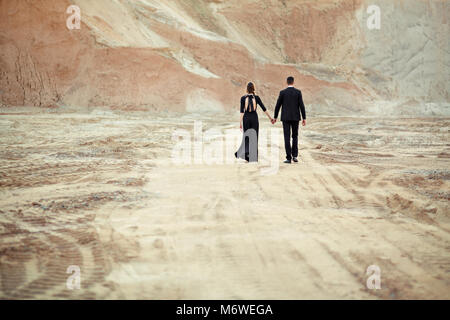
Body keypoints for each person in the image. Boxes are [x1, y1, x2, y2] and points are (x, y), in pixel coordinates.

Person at [235, 82, 274, 162]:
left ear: (247, 89)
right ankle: (253, 157)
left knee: (246, 137)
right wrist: (270, 118)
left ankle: (246, 155)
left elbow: (242, 111)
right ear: (253, 89)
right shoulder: (256, 98)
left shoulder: (243, 98)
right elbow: (264, 109)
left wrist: (240, 123)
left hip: (246, 118)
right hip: (254, 118)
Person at [272, 76, 306, 164]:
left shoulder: (282, 92)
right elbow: (301, 105)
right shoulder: (298, 92)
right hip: (295, 118)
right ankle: (295, 156)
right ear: (293, 82)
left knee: (287, 137)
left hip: (285, 118)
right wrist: (304, 118)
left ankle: (288, 158)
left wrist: (275, 117)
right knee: (295, 136)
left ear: (287, 82)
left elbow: (278, 105)